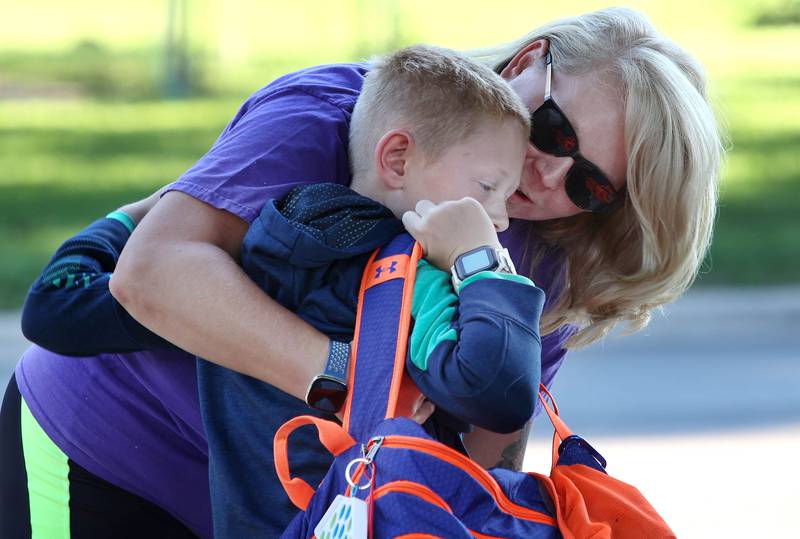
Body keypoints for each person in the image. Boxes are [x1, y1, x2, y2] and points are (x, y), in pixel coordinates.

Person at [0, 7, 722, 539]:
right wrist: (355, 375)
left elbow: (480, 456)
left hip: (290, 516)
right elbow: (151, 275)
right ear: (527, 64)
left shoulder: (542, 262)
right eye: (556, 131)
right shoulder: (339, 111)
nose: (549, 172)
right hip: (107, 457)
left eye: (591, 182)